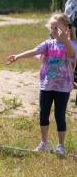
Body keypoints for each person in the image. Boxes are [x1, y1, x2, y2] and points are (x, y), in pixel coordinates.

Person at [8, 13, 76, 156]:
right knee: (43, 114)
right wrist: (17, 57)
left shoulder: (72, 45)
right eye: (52, 28)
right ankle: (44, 143)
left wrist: (66, 41)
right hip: (46, 85)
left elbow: (72, 56)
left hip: (63, 87)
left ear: (67, 29)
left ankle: (61, 146)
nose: (54, 30)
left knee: (59, 115)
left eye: (57, 28)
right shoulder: (47, 44)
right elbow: (34, 51)